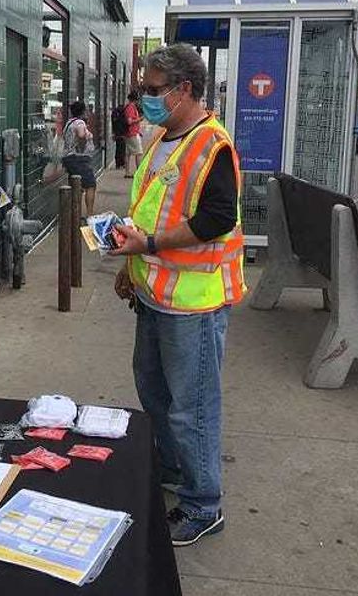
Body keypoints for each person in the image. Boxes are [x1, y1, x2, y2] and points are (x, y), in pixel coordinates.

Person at [110, 44, 246, 547]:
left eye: (152, 89)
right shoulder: (164, 136)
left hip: (194, 304)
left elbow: (216, 219)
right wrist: (131, 264)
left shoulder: (212, 145)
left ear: (183, 89)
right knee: (155, 391)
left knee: (193, 407)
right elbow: (150, 210)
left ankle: (202, 504)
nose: (143, 97)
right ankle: (170, 470)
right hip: (153, 292)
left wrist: (147, 246)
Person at [61, 100, 96, 217]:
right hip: (78, 159)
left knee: (77, 186)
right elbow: (81, 135)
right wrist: (87, 134)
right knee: (90, 185)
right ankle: (89, 215)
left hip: (69, 158)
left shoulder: (69, 123)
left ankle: (75, 215)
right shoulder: (80, 122)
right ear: (83, 111)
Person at [123, 90, 143, 177]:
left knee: (128, 153)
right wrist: (140, 119)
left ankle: (127, 172)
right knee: (139, 153)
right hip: (132, 134)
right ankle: (139, 173)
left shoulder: (129, 106)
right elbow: (129, 121)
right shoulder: (131, 107)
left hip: (130, 133)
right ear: (136, 99)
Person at [111, 100, 128, 170]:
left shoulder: (115, 113)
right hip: (121, 134)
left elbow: (114, 124)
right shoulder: (122, 114)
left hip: (118, 134)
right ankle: (121, 163)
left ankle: (119, 164)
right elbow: (125, 124)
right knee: (122, 149)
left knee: (119, 149)